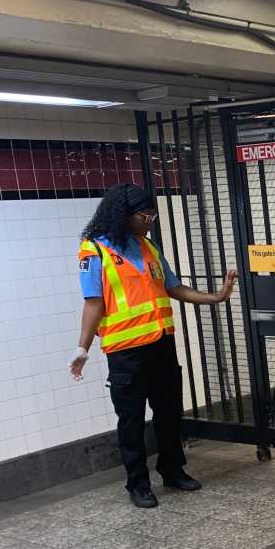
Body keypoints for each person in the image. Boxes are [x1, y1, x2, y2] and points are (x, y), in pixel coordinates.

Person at [69, 183, 239, 508]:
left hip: (162, 343)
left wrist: (215, 297)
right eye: (145, 215)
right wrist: (82, 349)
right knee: (131, 419)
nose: (150, 221)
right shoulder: (95, 251)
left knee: (168, 411)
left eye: (152, 215)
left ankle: (172, 470)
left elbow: (173, 287)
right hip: (125, 352)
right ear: (124, 215)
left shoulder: (148, 247)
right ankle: (138, 484)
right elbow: (93, 304)